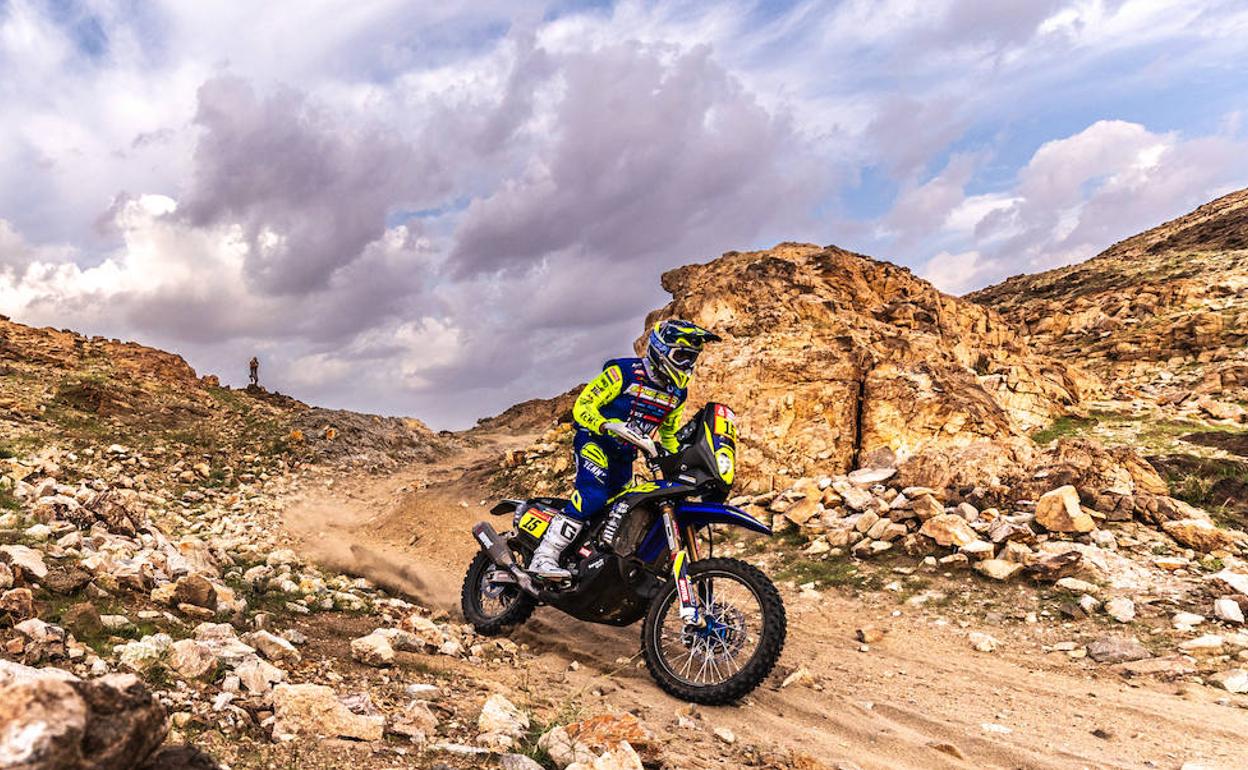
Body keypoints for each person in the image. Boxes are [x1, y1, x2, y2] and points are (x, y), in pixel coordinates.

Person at [528, 319, 721, 579]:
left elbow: (668, 433)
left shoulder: (678, 393)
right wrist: (606, 425)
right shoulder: (622, 373)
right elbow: (583, 406)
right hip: (596, 442)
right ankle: (544, 556)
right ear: (661, 351)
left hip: (625, 454)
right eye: (682, 355)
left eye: (692, 358)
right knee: (593, 496)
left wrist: (680, 461)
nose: (687, 364)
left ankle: (588, 559)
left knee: (620, 509)